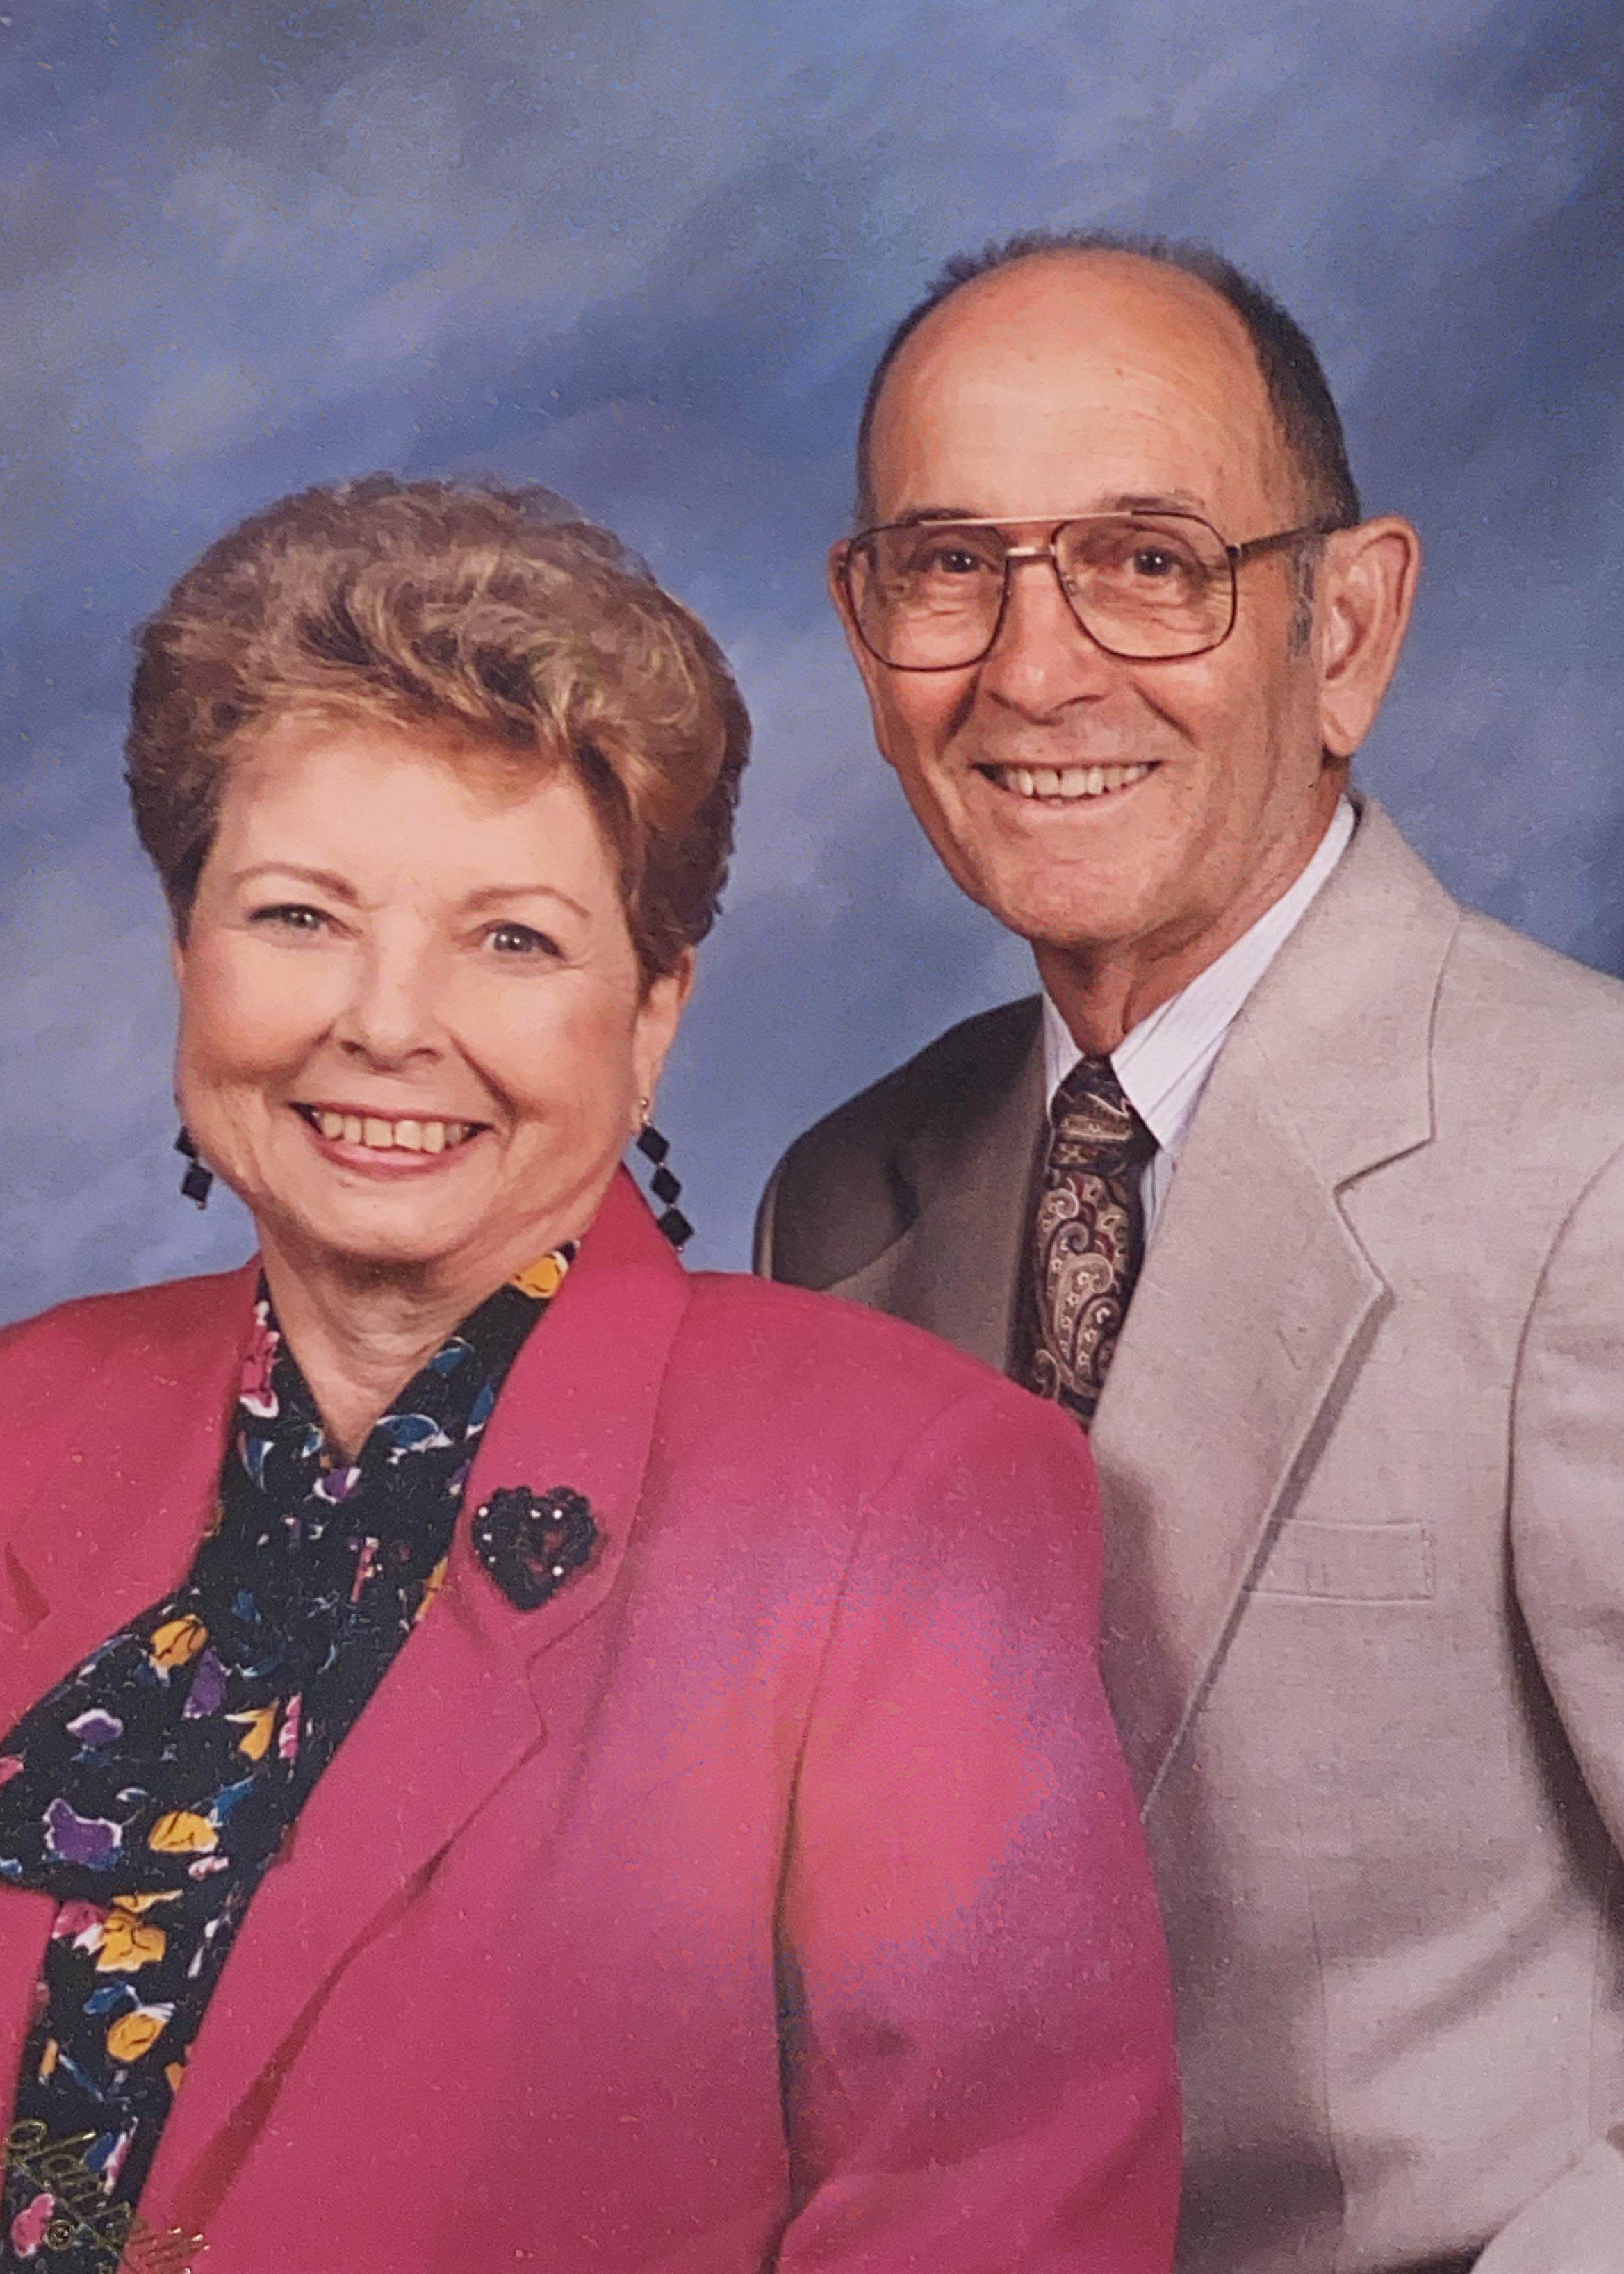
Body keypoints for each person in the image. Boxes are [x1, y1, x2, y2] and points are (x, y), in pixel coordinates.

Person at [0, 476, 1179, 2274]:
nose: (387, 1021)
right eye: (299, 916)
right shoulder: (24, 1424)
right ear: (185, 958)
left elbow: (995, 2222)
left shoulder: (894, 1495)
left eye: (512, 939)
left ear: (649, 1021)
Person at [756, 230, 1624, 2274]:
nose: (1035, 670)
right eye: (948, 565)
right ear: (861, 628)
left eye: (1149, 559)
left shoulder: (1592, 1159)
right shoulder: (841, 1191)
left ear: (1344, 626)